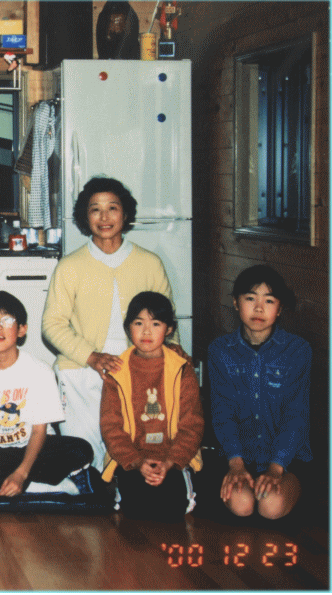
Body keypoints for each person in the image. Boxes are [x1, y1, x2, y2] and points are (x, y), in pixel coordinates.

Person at [42, 177, 175, 471]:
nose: (104, 217)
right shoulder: (70, 266)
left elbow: (168, 323)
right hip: (80, 371)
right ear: (85, 216)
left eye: (112, 208)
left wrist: (168, 367)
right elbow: (52, 324)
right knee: (85, 458)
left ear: (125, 214)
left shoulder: (150, 263)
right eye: (95, 210)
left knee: (134, 457)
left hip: (138, 371)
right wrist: (92, 357)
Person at [0, 291, 93, 498]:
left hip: (34, 449)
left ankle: (11, 484)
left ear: (21, 329)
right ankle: (42, 486)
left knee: (81, 450)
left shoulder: (40, 371)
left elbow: (39, 431)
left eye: (7, 320)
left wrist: (21, 473)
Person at [209, 265, 312, 520]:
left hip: (285, 462)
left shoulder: (298, 350)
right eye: (250, 298)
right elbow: (222, 412)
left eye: (269, 300)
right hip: (238, 458)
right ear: (236, 303)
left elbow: (296, 415)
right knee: (242, 505)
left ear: (279, 309)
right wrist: (236, 464)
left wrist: (276, 468)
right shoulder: (219, 350)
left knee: (271, 506)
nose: (258, 308)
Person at [100, 292, 203, 522]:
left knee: (172, 508)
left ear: (168, 329)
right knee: (138, 509)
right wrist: (137, 462)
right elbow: (111, 427)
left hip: (173, 457)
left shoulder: (182, 368)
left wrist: (170, 462)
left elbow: (192, 424)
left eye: (155, 324)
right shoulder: (116, 372)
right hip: (132, 459)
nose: (146, 332)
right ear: (128, 328)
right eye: (139, 323)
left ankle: (184, 483)